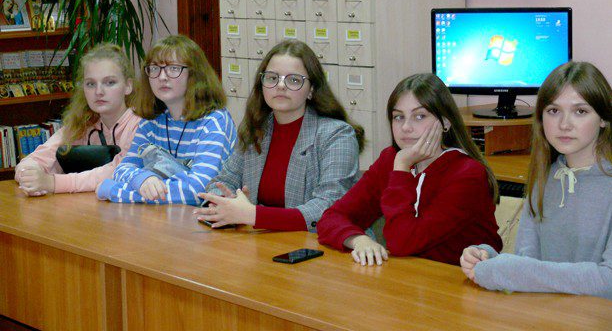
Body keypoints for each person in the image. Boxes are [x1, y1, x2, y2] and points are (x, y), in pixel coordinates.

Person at [460, 61, 612, 305]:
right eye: (553, 111)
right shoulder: (545, 175)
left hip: (611, 317)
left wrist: (512, 270)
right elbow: (529, 264)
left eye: (580, 111)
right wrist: (490, 259)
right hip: (550, 312)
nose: (564, 124)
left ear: (603, 119)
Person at [317, 73, 502, 266]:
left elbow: (402, 242)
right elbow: (331, 218)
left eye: (419, 116)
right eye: (398, 117)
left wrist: (401, 170)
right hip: (409, 274)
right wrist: (359, 240)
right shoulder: (390, 159)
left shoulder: (467, 173)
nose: (406, 127)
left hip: (459, 278)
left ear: (445, 122)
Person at [193, 39, 364, 232]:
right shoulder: (256, 129)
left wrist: (252, 215)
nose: (280, 86)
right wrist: (226, 202)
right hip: (265, 241)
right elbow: (224, 180)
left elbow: (327, 206)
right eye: (272, 78)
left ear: (311, 90)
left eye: (294, 80)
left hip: (323, 243)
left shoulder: (337, 136)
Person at [97, 35, 236, 205]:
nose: (162, 77)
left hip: (206, 219)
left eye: (173, 68)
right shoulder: (151, 122)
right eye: (155, 68)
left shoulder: (214, 121)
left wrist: (115, 191)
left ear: (194, 75)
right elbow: (123, 169)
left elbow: (199, 191)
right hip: (164, 215)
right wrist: (143, 179)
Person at [15, 43, 140, 195]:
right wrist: (30, 175)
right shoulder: (83, 122)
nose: (99, 91)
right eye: (90, 84)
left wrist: (53, 183)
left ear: (128, 86)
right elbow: (36, 159)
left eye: (110, 82)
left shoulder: (142, 125)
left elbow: (120, 171)